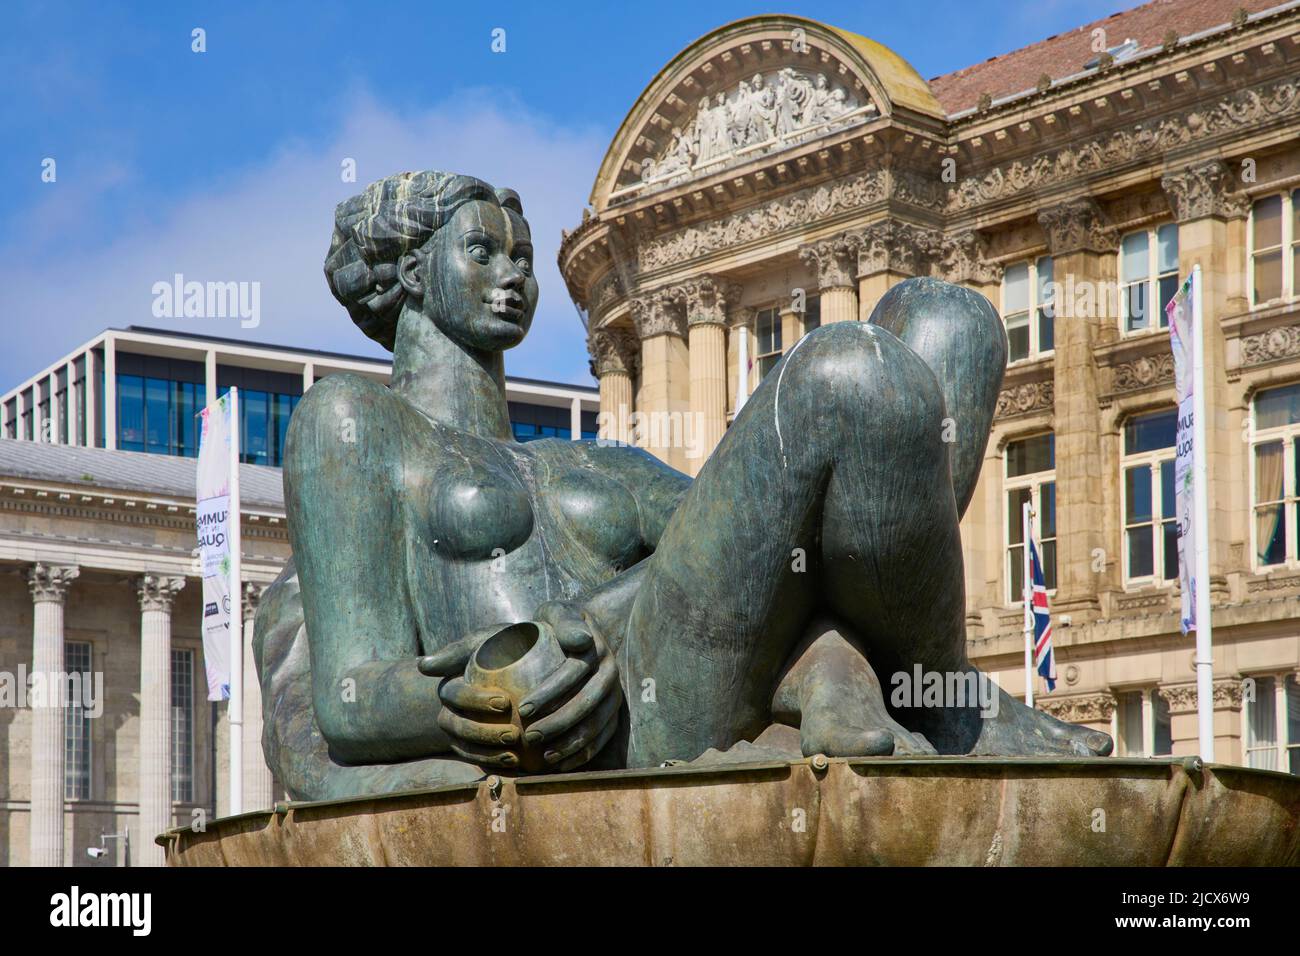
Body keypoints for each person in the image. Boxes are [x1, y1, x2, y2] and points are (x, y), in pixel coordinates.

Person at [255, 170, 1111, 801]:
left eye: (521, 256)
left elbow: (779, 565)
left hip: (677, 655)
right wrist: (493, 703)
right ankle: (942, 700)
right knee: (851, 372)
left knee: (950, 323)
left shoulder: (591, 461)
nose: (514, 274)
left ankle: (922, 689)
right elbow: (347, 701)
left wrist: (598, 620)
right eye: (481, 251)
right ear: (408, 273)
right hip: (616, 720)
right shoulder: (352, 425)